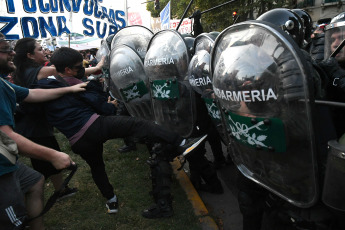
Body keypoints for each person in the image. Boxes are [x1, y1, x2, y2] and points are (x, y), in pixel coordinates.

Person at [34, 47, 205, 216]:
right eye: (80, 67)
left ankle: (111, 201)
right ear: (68, 70)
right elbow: (106, 109)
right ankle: (181, 142)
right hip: (95, 126)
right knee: (139, 124)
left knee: (97, 168)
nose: (83, 70)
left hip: (77, 141)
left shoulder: (46, 86)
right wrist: (111, 105)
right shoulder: (78, 86)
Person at [0, 33, 87, 230]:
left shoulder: (3, 83)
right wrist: (53, 155)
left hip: (8, 159)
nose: (12, 52)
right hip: (1, 166)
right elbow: (5, 136)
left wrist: (68, 90)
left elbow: (31, 94)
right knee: (14, 223)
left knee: (35, 180)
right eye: (5, 49)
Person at [12, 37, 105, 201]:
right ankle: (45, 194)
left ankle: (60, 190)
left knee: (42, 160)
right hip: (35, 124)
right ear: (30, 55)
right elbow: (71, 71)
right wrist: (97, 67)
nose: (44, 51)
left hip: (27, 123)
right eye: (40, 49)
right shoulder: (42, 71)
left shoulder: (20, 71)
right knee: (48, 158)